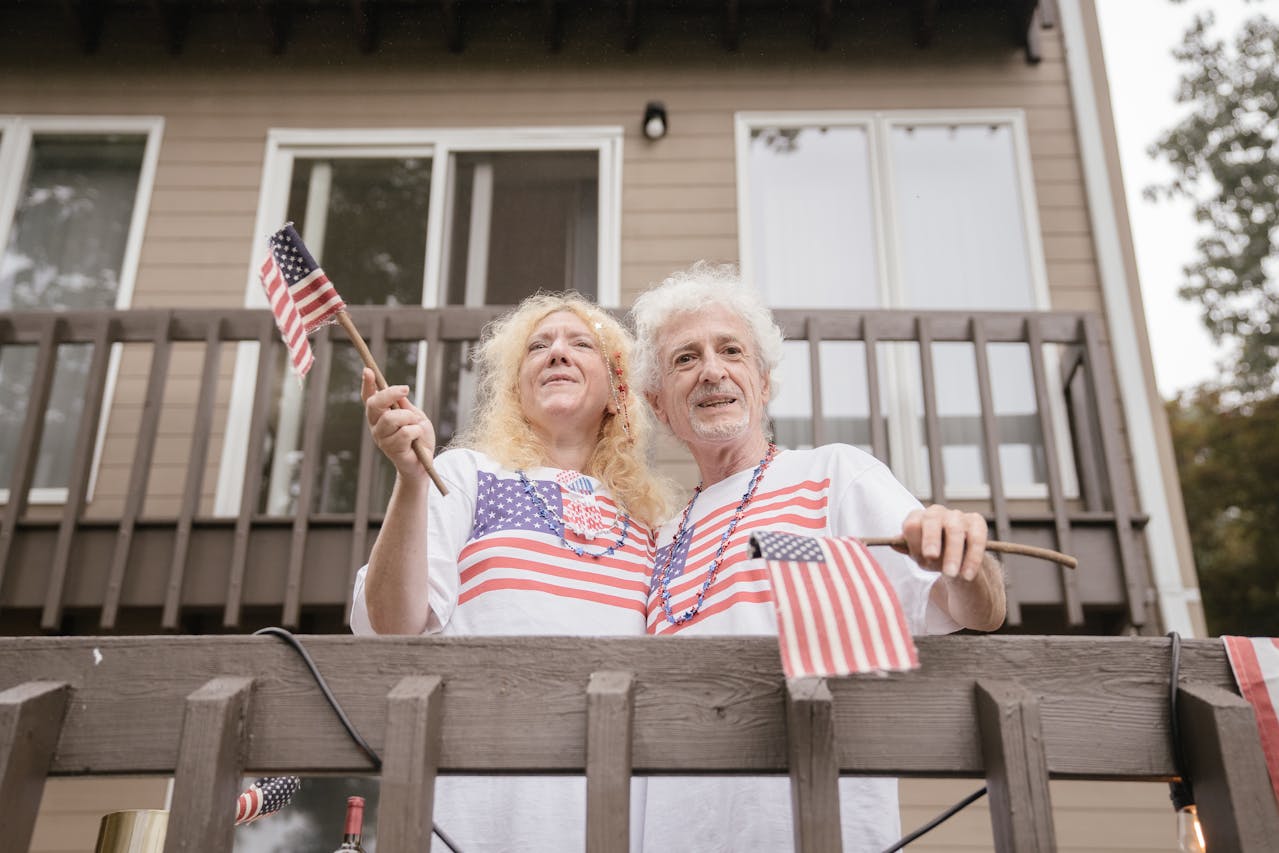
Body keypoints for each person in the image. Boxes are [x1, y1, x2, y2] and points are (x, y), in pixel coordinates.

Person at [630, 262, 1006, 852]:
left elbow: (973, 611)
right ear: (658, 404)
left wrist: (963, 555)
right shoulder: (660, 539)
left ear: (762, 379)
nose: (711, 371)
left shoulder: (832, 474)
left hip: (817, 832)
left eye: (731, 350)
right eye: (685, 358)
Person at [350, 292, 670, 852]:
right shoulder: (464, 475)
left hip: (613, 813)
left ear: (618, 386)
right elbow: (392, 625)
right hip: (477, 810)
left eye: (581, 344)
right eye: (538, 347)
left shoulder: (652, 519)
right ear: (515, 386)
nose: (557, 354)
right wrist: (409, 479)